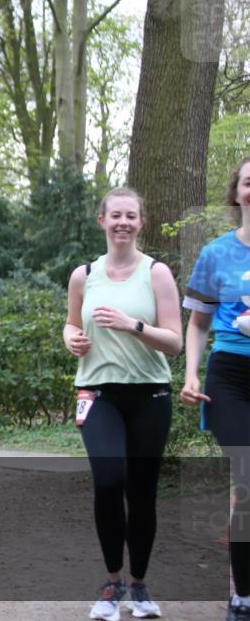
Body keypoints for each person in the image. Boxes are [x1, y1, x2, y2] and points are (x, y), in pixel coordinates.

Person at [63, 187, 182, 621]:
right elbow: (70, 323)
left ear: (141, 222)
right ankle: (112, 583)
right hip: (98, 393)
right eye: (116, 215)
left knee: (142, 491)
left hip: (150, 394)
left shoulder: (157, 274)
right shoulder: (84, 275)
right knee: (110, 480)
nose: (123, 223)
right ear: (102, 220)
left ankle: (140, 584)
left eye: (131, 216)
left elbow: (175, 342)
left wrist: (133, 325)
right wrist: (71, 339)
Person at [181, 157, 250, 621]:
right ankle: (242, 597)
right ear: (236, 192)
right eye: (249, 181)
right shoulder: (215, 254)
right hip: (230, 377)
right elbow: (198, 323)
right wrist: (191, 374)